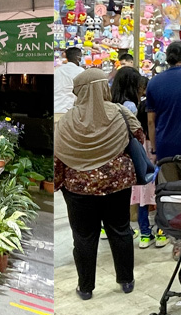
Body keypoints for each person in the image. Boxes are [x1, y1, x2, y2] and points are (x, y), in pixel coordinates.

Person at [55, 68, 141, 300]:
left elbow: (58, 156)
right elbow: (139, 138)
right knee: (120, 230)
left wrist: (58, 183)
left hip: (78, 189)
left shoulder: (67, 121)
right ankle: (126, 280)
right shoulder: (121, 113)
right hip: (118, 185)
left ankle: (85, 288)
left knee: (84, 237)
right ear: (104, 87)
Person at [112, 67, 165, 248]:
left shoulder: (133, 106)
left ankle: (144, 234)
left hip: (139, 154)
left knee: (143, 195)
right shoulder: (149, 106)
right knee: (160, 193)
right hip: (155, 151)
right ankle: (161, 232)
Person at [55, 47, 85, 122]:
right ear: (78, 58)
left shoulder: (58, 70)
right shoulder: (80, 71)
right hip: (69, 111)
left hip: (55, 108)